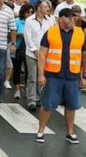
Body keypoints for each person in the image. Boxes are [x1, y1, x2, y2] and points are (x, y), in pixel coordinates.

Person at [35, 8, 86, 144]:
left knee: (72, 105)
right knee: (48, 104)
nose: (72, 19)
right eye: (69, 17)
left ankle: (70, 133)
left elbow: (84, 56)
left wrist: (84, 76)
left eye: (73, 17)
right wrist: (41, 75)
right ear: (61, 19)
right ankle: (41, 131)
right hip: (53, 75)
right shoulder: (51, 32)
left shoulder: (80, 33)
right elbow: (42, 55)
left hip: (72, 76)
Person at [24, 0, 55, 110]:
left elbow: (52, 36)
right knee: (32, 77)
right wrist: (35, 51)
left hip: (46, 54)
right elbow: (28, 37)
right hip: (32, 54)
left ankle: (39, 98)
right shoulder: (29, 20)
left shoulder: (51, 20)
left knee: (42, 77)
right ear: (39, 8)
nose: (47, 9)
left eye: (48, 7)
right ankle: (31, 99)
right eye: (45, 7)